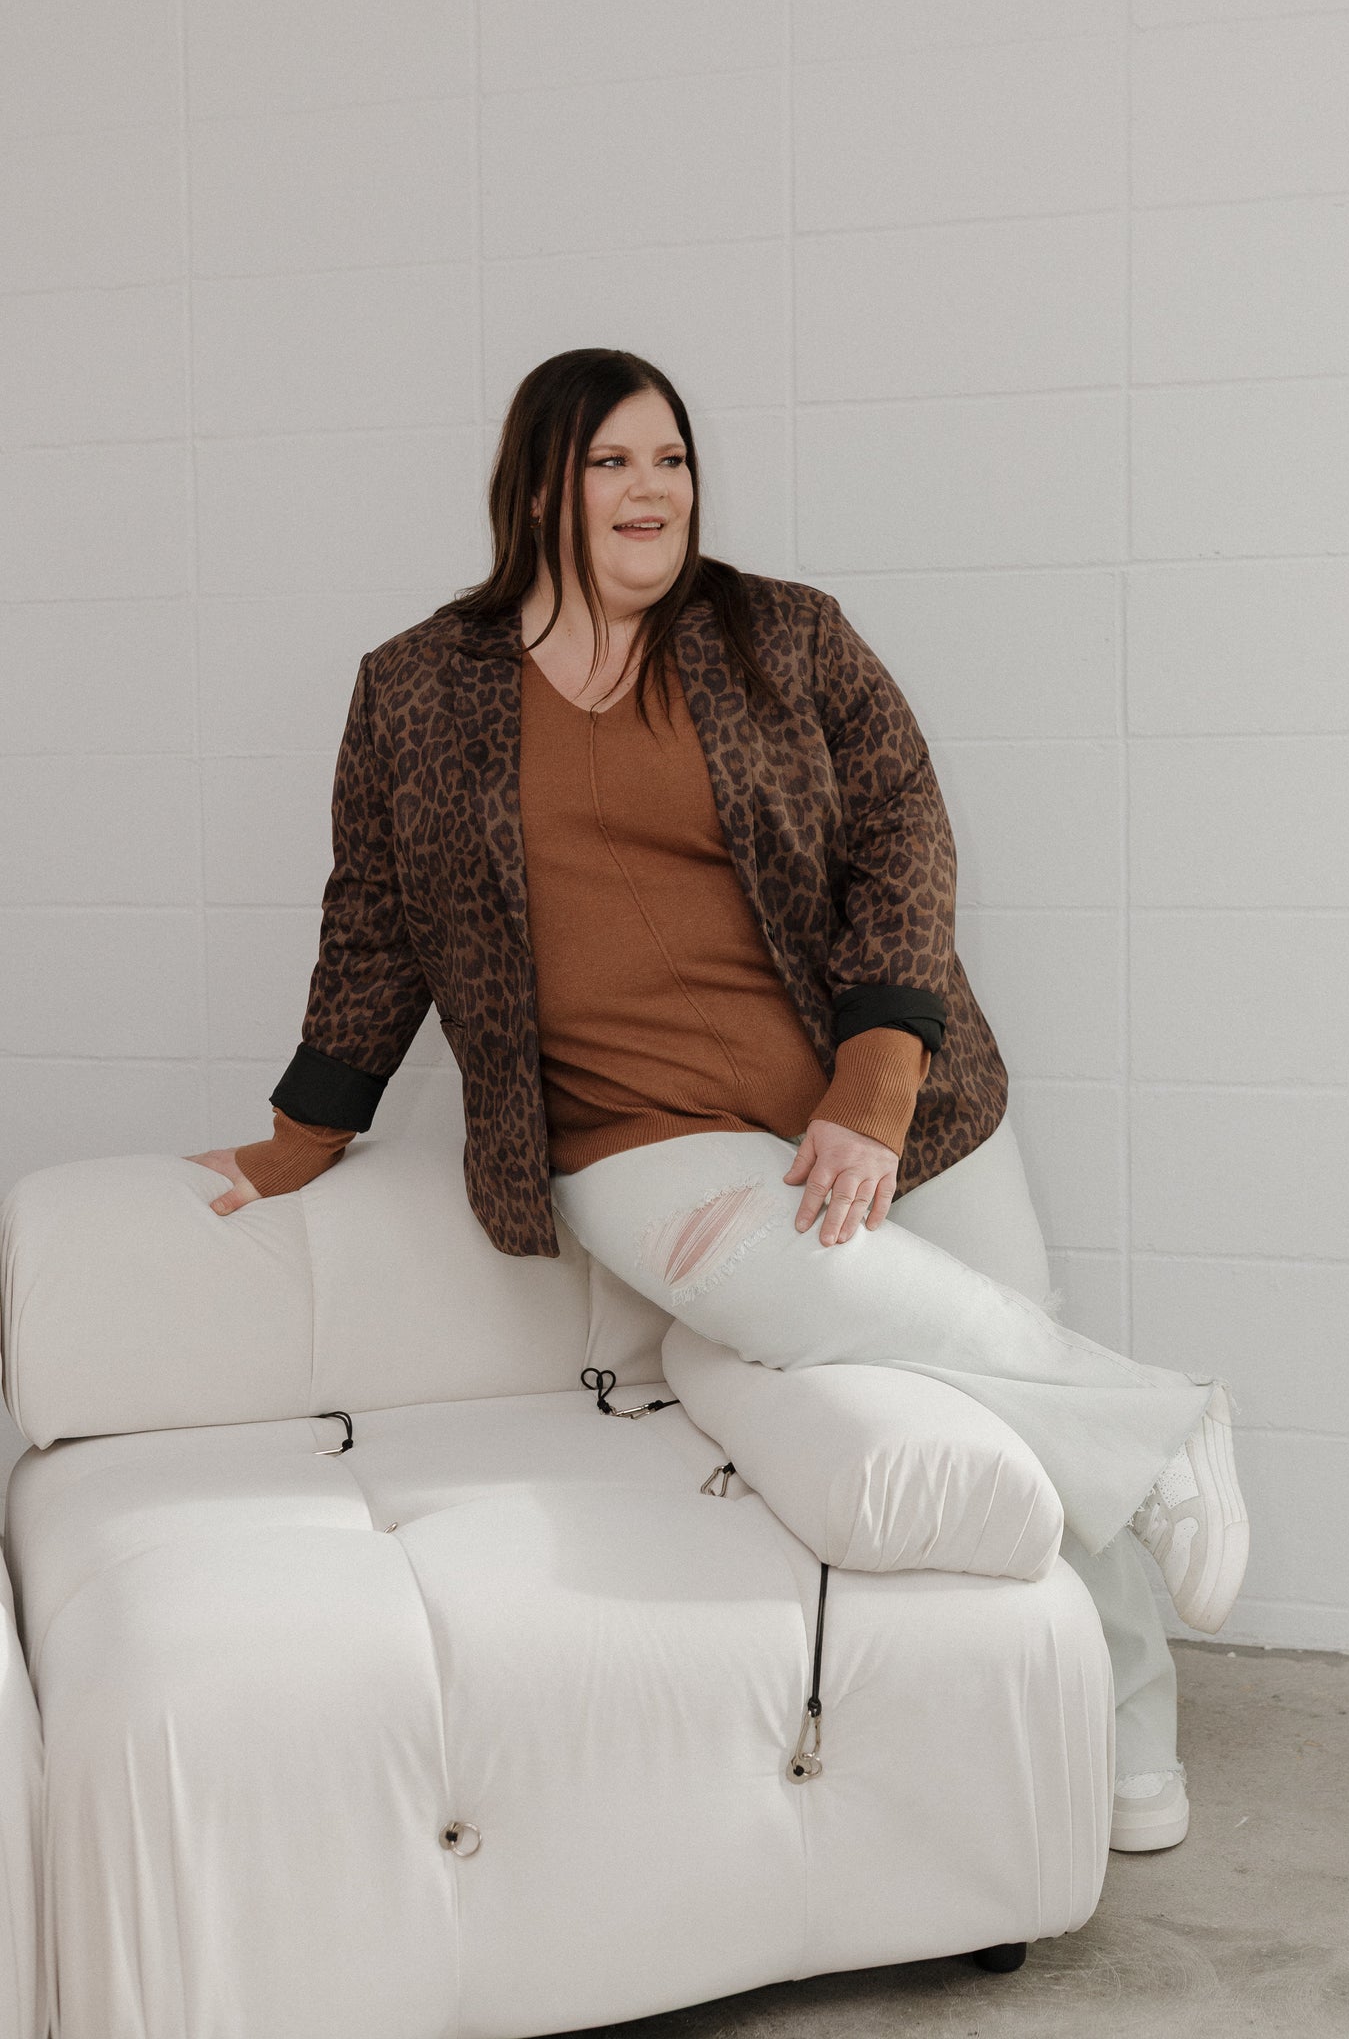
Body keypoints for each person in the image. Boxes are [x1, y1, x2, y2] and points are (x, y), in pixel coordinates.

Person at [188, 346, 1248, 1858]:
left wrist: (874, 1084)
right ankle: (1168, 1434)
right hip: (631, 1133)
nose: (651, 490)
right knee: (940, 1341)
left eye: (671, 460)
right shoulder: (416, 688)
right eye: (612, 461)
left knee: (1013, 1370)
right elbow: (373, 920)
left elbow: (906, 842)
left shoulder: (783, 637)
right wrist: (305, 1132)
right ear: (537, 486)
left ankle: (1129, 1730)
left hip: (883, 1093)